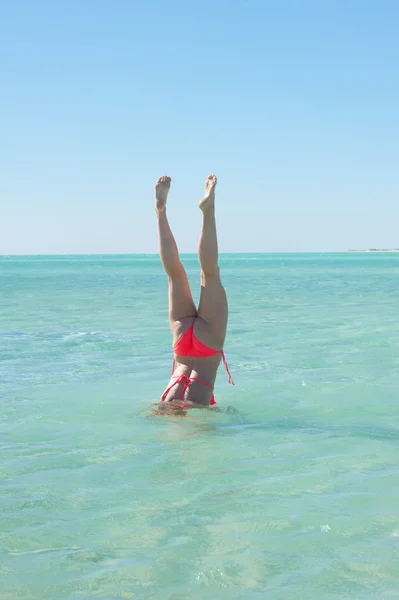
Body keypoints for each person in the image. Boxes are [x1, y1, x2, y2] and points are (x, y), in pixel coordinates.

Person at [155, 174, 234, 410]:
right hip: (182, 339)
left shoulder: (177, 405)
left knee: (209, 273)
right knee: (175, 275)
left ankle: (206, 212)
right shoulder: (184, 404)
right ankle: (160, 212)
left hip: (203, 348)